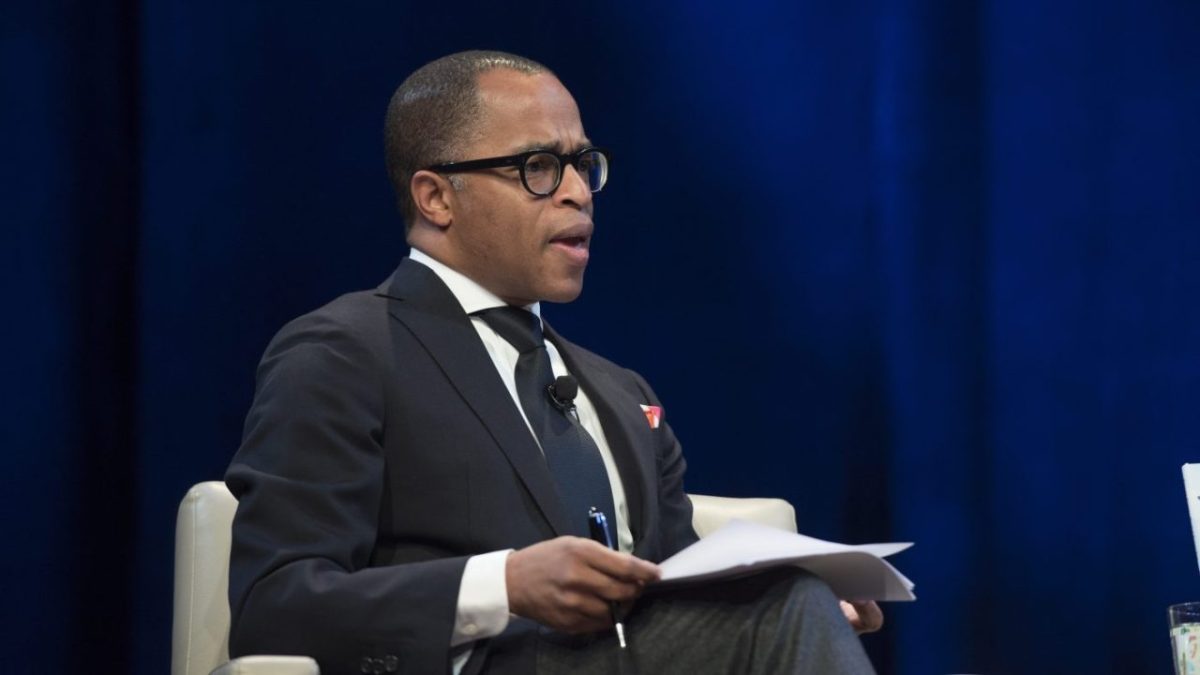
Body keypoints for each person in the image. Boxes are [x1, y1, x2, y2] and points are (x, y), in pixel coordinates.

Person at [225, 50, 882, 675]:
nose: (577, 192)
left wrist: (797, 625)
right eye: (538, 166)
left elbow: (686, 612)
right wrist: (504, 584)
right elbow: (274, 607)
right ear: (436, 197)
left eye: (583, 164)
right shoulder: (345, 353)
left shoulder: (623, 394)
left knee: (792, 601)